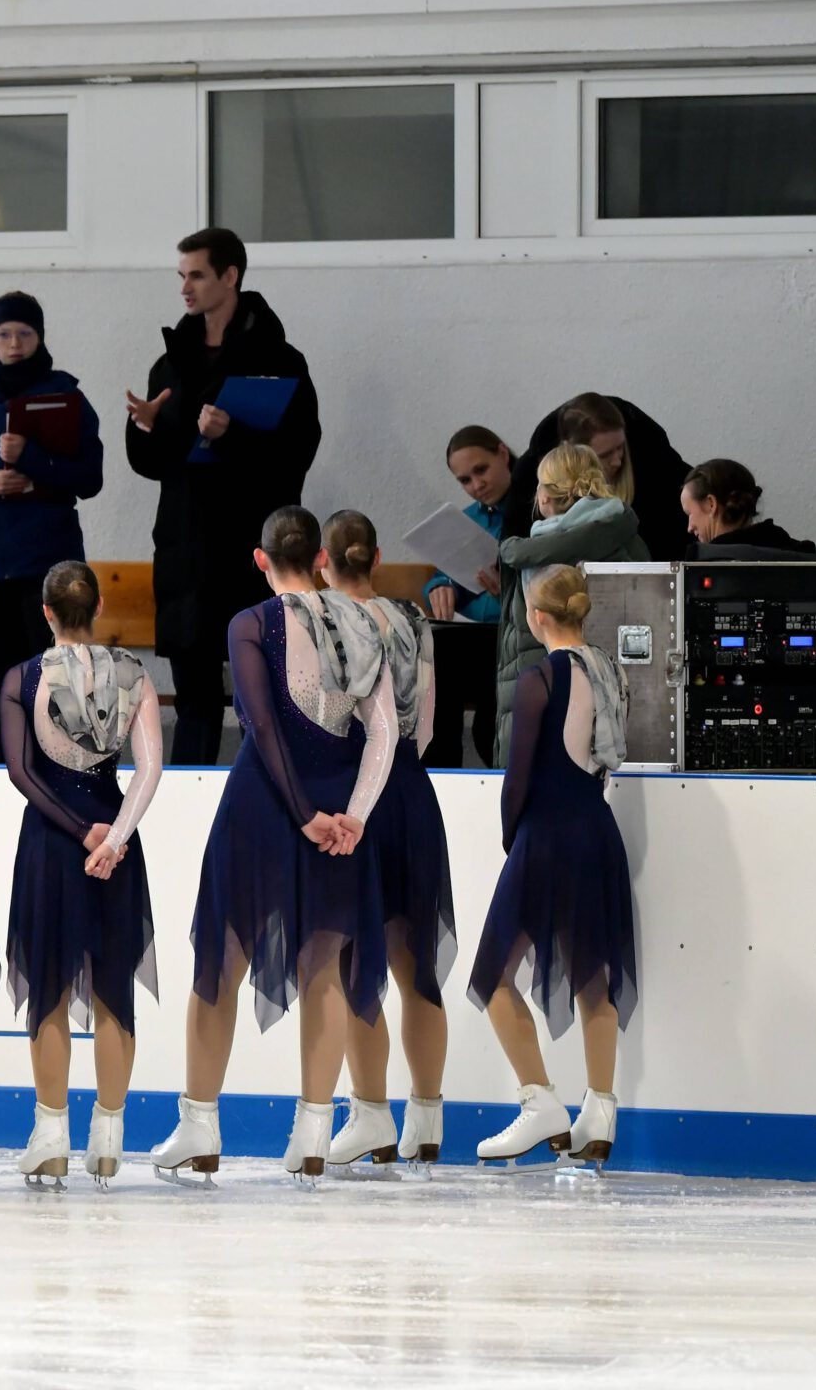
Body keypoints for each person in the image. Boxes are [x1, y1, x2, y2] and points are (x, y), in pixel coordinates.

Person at [151, 507, 397, 1188]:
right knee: (325, 964)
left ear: (260, 560)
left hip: (265, 802)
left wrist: (303, 814)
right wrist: (352, 815)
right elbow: (384, 731)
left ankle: (200, 1126)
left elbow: (261, 724)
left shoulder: (251, 624)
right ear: (320, 558)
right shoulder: (364, 622)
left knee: (222, 958)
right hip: (339, 801)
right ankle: (313, 1132)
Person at [123, 227, 324, 766]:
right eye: (181, 276)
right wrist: (145, 428)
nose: (185, 288)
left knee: (268, 695)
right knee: (194, 699)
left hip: (248, 549)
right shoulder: (171, 363)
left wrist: (230, 435)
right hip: (186, 548)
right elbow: (152, 466)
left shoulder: (279, 359)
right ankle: (190, 798)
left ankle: (273, 794)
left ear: (229, 276)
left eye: (197, 275)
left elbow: (297, 453)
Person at [0, 562, 164, 1190]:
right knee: (112, 984)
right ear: (97, 609)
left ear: (45, 612)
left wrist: (78, 831)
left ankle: (50, 1135)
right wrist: (113, 836)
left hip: (52, 839)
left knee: (49, 983)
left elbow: (21, 771)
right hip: (115, 837)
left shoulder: (23, 678)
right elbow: (150, 768)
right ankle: (109, 1136)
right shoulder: (134, 675)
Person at [468, 566, 636, 1170]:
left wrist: (512, 836)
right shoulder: (609, 670)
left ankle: (540, 1101)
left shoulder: (540, 677)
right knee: (593, 976)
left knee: (491, 975)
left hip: (546, 835)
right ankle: (601, 1112)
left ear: (537, 617)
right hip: (596, 831)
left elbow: (518, 776)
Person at [321, 513, 453, 1172]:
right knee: (413, 960)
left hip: (356, 794)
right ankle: (426, 1117)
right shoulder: (411, 618)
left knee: (357, 960)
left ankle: (370, 1112)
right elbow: (423, 726)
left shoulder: (325, 621)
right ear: (375, 557)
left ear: (324, 562)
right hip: (410, 791)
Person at [0, 291, 103, 734]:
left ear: (39, 337)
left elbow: (90, 479)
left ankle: (62, 766)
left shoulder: (67, 397)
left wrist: (31, 458)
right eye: (4, 334)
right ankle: (9, 768)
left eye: (24, 333)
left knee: (58, 680)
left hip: (50, 562)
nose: (14, 343)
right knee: (2, 682)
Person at [494, 446, 647, 758]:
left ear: (545, 496)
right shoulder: (629, 539)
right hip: (619, 703)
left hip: (544, 702)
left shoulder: (531, 557)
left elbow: (522, 640)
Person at [420, 426, 515, 767]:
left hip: (512, 638)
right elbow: (447, 571)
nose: (476, 485)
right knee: (432, 658)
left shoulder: (533, 507)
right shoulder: (468, 519)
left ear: (503, 454)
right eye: (465, 480)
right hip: (470, 636)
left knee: (489, 719)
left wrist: (512, 588)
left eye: (481, 470)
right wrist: (440, 586)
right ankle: (439, 774)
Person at [505, 393, 692, 557]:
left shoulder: (653, 459)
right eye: (605, 455)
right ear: (574, 453)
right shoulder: (532, 480)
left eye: (620, 448)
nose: (617, 461)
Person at [683, 459, 816, 560]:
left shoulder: (700, 568)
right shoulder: (802, 555)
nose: (689, 527)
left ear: (711, 504)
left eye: (689, 513)